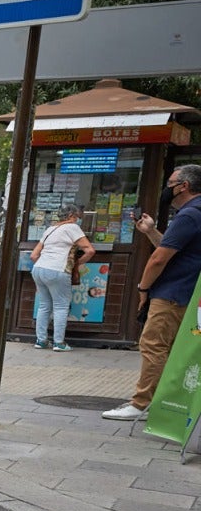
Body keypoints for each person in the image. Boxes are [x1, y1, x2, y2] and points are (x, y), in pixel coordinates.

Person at [103, 164, 201, 421]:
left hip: (172, 292)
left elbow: (160, 259)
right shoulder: (195, 213)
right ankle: (162, 400)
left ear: (184, 186)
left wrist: (143, 288)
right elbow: (172, 247)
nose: (167, 189)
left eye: (170, 184)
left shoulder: (189, 215)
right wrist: (150, 231)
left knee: (153, 345)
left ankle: (142, 404)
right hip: (186, 292)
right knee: (169, 348)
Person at [29, 204, 95, 351]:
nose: (78, 220)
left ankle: (41, 340)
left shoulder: (50, 229)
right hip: (58, 269)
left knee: (44, 305)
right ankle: (59, 343)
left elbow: (34, 255)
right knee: (60, 306)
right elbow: (90, 250)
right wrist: (77, 263)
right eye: (77, 217)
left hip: (38, 269)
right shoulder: (72, 228)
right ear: (71, 216)